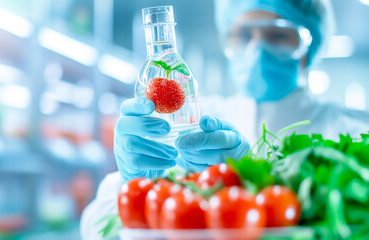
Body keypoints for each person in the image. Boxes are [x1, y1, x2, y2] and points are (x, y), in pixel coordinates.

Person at [81, 0, 369, 239]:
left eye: (278, 35)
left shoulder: (355, 132)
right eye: (244, 35)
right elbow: (92, 229)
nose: (257, 49)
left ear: (309, 46)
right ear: (228, 40)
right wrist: (134, 187)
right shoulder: (190, 121)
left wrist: (250, 177)